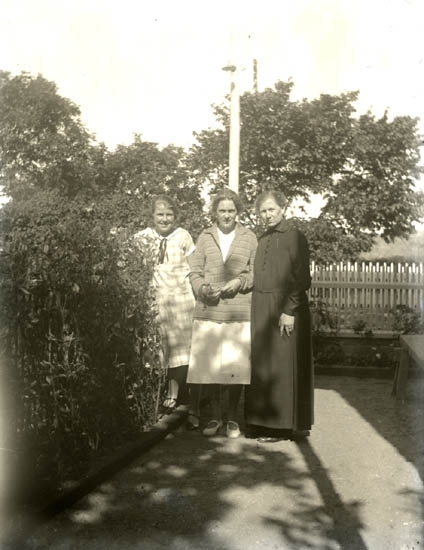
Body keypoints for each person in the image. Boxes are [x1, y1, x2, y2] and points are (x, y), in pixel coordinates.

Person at [186, 188, 257, 438]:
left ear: (238, 212)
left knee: (235, 366)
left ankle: (232, 419)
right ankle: (215, 417)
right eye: (222, 210)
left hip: (238, 310)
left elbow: (255, 271)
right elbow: (194, 271)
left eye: (231, 210)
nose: (226, 215)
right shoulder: (205, 236)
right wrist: (202, 289)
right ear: (214, 212)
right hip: (209, 309)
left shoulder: (249, 237)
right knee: (211, 367)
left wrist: (239, 282)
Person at [245, 189, 314, 442]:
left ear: (283, 209)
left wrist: (289, 310)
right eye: (263, 211)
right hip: (262, 306)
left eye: (271, 209)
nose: (267, 215)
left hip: (285, 308)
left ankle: (281, 426)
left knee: (282, 366)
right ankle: (261, 422)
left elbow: (302, 278)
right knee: (263, 364)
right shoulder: (262, 239)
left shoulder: (295, 237)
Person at [133, 195, 195, 413]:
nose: (165, 219)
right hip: (153, 302)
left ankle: (173, 394)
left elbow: (194, 269)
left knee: (178, 351)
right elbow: (129, 268)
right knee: (154, 349)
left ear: (175, 216)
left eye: (169, 214)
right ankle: (152, 393)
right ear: (152, 216)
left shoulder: (183, 236)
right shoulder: (141, 238)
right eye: (160, 214)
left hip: (181, 301)